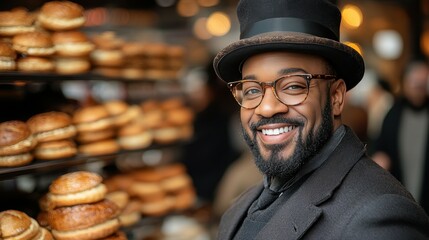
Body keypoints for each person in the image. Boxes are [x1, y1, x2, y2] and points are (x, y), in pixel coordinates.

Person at [212, 0, 429, 239]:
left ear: (336, 97)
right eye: (252, 90)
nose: (267, 107)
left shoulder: (379, 217)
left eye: (293, 86)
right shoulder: (239, 208)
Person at [372, 60, 429, 214]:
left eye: (423, 84)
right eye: (415, 83)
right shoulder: (394, 114)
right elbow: (381, 149)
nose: (419, 88)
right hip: (400, 200)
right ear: (405, 82)